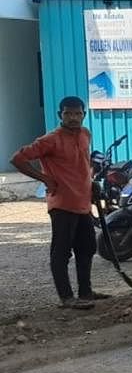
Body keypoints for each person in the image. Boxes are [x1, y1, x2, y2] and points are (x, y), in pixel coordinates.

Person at [10, 96, 109, 310]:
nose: (73, 118)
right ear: (60, 115)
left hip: (83, 202)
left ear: (84, 114)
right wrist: (44, 178)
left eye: (77, 113)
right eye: (67, 114)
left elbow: (83, 162)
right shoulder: (50, 140)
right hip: (62, 204)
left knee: (87, 247)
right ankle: (66, 297)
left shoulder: (85, 134)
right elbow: (18, 159)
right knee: (62, 251)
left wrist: (91, 182)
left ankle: (86, 292)